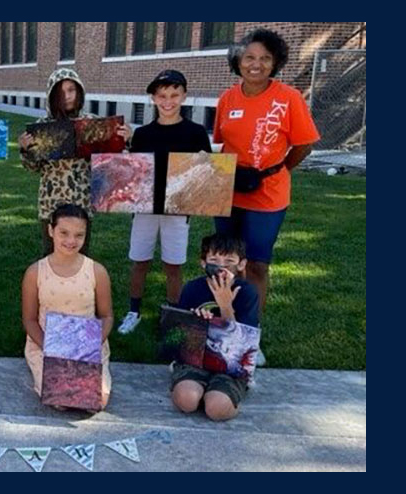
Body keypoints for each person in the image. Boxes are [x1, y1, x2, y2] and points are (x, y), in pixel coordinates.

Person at [213, 28, 320, 320]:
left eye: (265, 58)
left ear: (275, 63)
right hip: (229, 191)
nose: (256, 64)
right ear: (238, 60)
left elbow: (304, 144)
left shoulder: (289, 98)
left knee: (257, 265)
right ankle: (225, 320)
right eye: (249, 57)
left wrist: (280, 169)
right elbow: (219, 144)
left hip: (267, 196)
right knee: (225, 263)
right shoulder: (227, 99)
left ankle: (250, 332)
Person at [117, 70, 212, 335]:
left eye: (174, 95)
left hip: (178, 209)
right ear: (153, 98)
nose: (168, 101)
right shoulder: (143, 133)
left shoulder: (195, 133)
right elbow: (133, 172)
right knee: (140, 261)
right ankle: (133, 311)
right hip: (145, 209)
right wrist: (125, 144)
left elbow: (205, 173)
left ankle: (173, 314)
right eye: (162, 95)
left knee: (174, 264)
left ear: (183, 96)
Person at [18, 68, 130, 256]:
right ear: (52, 96)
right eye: (61, 92)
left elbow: (112, 164)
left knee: (81, 256)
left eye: (71, 90)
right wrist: (25, 149)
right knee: (50, 256)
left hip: (82, 202)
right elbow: (32, 167)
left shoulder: (93, 124)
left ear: (79, 92)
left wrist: (123, 141)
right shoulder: (42, 126)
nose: (67, 96)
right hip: (51, 204)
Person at [21, 204, 114, 410]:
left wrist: (92, 344)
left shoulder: (97, 271)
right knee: (62, 399)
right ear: (50, 231)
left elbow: (107, 316)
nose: (71, 241)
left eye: (79, 235)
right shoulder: (35, 272)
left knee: (96, 402)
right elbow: (29, 319)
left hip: (87, 346)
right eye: (64, 233)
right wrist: (51, 347)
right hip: (46, 345)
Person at [171, 233, 260, 421]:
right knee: (186, 401)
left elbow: (243, 344)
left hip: (230, 365)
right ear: (203, 263)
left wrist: (226, 306)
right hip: (195, 359)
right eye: (214, 260)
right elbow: (177, 336)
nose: (221, 267)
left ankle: (222, 396)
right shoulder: (192, 289)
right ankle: (200, 389)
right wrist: (196, 322)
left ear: (241, 264)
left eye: (229, 261)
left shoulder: (247, 293)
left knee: (216, 409)